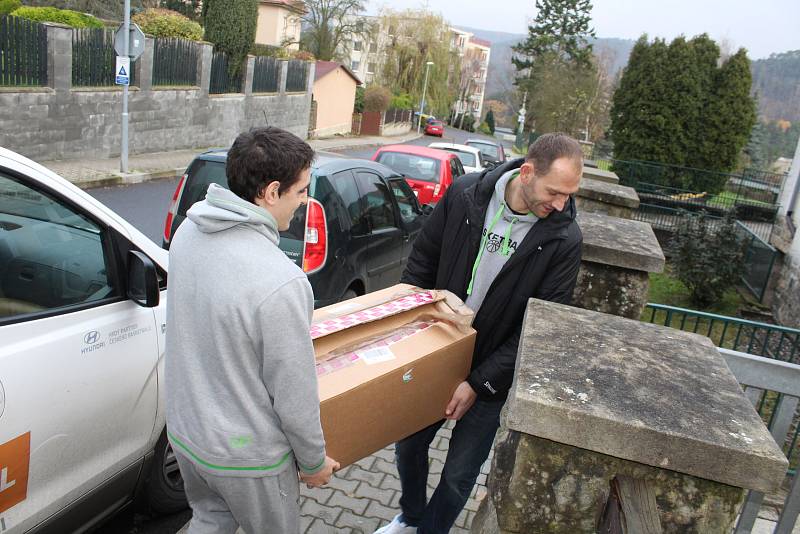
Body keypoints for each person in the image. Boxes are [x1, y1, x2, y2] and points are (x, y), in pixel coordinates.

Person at [375, 133, 585, 534]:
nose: (561, 205)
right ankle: (411, 516)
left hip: (493, 376)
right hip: (436, 352)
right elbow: (422, 262)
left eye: (568, 195)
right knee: (409, 446)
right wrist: (409, 335)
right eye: (555, 192)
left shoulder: (563, 238)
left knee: (458, 476)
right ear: (526, 173)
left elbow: (537, 328)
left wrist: (478, 381)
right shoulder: (466, 194)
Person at [165, 127, 338, 534]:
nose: (306, 201)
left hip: (189, 438)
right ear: (272, 192)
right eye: (301, 191)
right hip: (248, 459)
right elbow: (294, 393)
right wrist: (313, 463)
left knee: (208, 521)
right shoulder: (281, 280)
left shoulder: (187, 234)